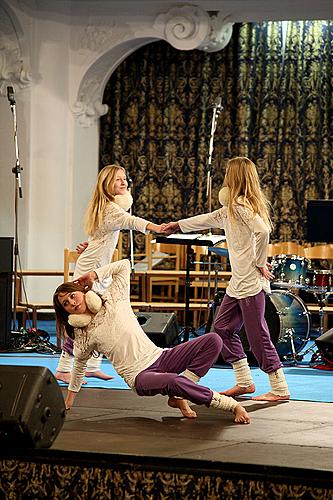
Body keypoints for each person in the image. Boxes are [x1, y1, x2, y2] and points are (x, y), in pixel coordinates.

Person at [53, 259, 251, 424]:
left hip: (160, 356)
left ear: (82, 290)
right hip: (140, 375)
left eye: (72, 295)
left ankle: (180, 396)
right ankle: (230, 405)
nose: (72, 303)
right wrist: (69, 401)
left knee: (213, 340)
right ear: (66, 312)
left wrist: (93, 275)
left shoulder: (114, 297)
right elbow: (78, 366)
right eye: (66, 304)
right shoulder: (83, 334)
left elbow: (123, 265)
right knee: (173, 380)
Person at [163, 156, 290, 402]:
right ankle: (244, 382)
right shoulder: (230, 209)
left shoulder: (242, 205)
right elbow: (205, 219)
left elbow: (263, 231)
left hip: (250, 281)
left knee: (257, 335)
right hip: (238, 282)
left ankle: (280, 388)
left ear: (235, 178)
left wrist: (260, 262)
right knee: (222, 328)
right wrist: (176, 226)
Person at [56, 164, 166, 384]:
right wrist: (157, 228)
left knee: (101, 317)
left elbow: (99, 237)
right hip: (91, 270)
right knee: (87, 321)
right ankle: (63, 369)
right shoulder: (111, 209)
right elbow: (132, 222)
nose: (124, 182)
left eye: (125, 179)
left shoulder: (105, 208)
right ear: (107, 184)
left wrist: (88, 244)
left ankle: (93, 366)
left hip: (98, 267)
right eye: (118, 180)